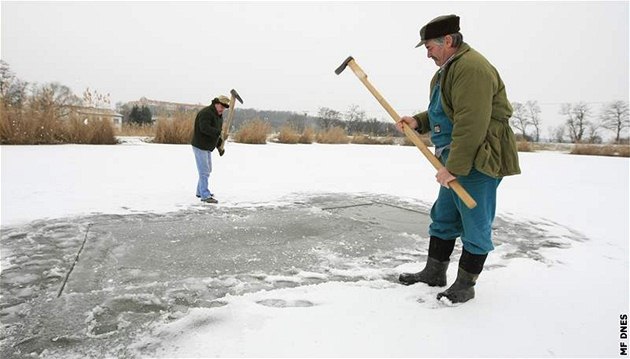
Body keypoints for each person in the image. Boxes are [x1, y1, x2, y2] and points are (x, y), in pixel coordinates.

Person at [397, 14, 521, 303]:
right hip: (457, 157)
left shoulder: (471, 68)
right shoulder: (449, 69)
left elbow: (471, 122)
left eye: (429, 47)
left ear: (448, 41)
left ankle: (465, 285)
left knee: (475, 223)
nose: (427, 54)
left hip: (478, 158)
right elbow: (445, 112)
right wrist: (418, 121)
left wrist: (453, 167)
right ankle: (434, 273)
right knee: (443, 217)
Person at [191, 95, 229, 204]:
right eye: (221, 107)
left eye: (224, 108)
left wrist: (219, 146)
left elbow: (215, 135)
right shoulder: (206, 113)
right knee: (204, 171)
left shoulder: (218, 116)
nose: (223, 109)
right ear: (216, 104)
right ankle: (205, 195)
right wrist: (219, 133)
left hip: (207, 146)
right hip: (200, 145)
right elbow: (204, 128)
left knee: (207, 170)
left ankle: (200, 191)